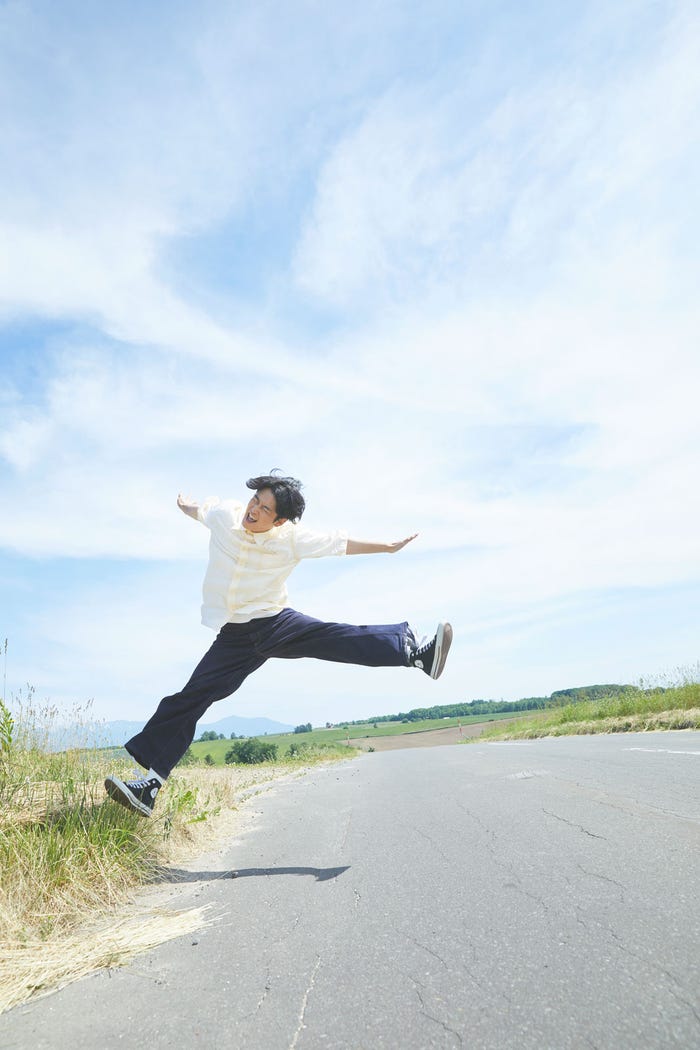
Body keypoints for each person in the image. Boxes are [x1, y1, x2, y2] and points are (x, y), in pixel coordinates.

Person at [105, 472, 452, 817]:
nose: (253, 510)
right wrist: (186, 506)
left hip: (273, 621)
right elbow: (202, 512)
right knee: (191, 697)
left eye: (264, 508)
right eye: (255, 500)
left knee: (330, 637)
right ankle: (149, 786)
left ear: (280, 519)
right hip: (234, 637)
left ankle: (414, 654)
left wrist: (388, 548)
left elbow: (339, 543)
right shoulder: (227, 515)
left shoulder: (291, 539)